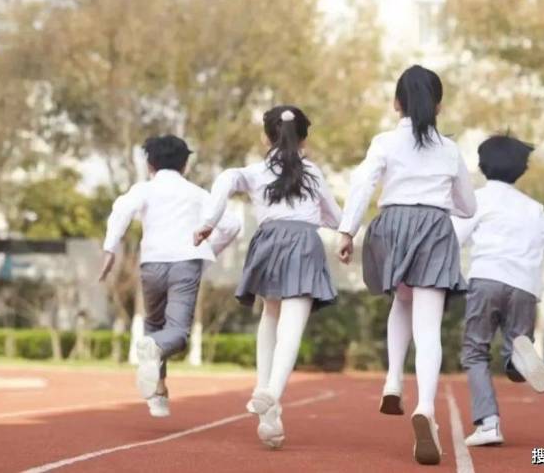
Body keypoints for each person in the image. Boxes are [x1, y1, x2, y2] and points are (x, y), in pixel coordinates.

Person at [337, 65, 477, 465]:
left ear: (396, 103)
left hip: (392, 226)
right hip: (433, 227)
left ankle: (393, 380)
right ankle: (426, 408)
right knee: (428, 326)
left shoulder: (384, 142)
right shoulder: (449, 150)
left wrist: (347, 231)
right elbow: (468, 206)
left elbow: (363, 184)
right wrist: (442, 202)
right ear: (439, 106)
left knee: (401, 300)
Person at [194, 105, 341, 449]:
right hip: (303, 243)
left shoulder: (257, 170)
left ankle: (267, 409)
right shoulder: (313, 172)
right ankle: (271, 393)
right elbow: (336, 217)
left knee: (270, 315)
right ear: (304, 139)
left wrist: (209, 221)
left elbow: (226, 179)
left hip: (269, 242)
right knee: (292, 325)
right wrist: (343, 232)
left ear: (265, 137)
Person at [99, 135, 241, 418]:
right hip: (185, 264)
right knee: (177, 333)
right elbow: (232, 225)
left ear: (149, 164)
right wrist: (208, 249)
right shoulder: (198, 194)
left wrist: (110, 248)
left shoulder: (144, 189)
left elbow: (121, 211)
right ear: (185, 164)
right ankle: (156, 373)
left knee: (154, 325)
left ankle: (158, 393)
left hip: (151, 265)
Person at [452, 134, 544, 446]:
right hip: (525, 287)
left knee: (475, 351)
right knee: (515, 346)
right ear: (521, 170)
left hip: (486, 279)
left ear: (482, 165)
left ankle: (488, 424)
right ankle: (518, 361)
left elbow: (454, 238)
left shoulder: (477, 200)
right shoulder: (534, 208)